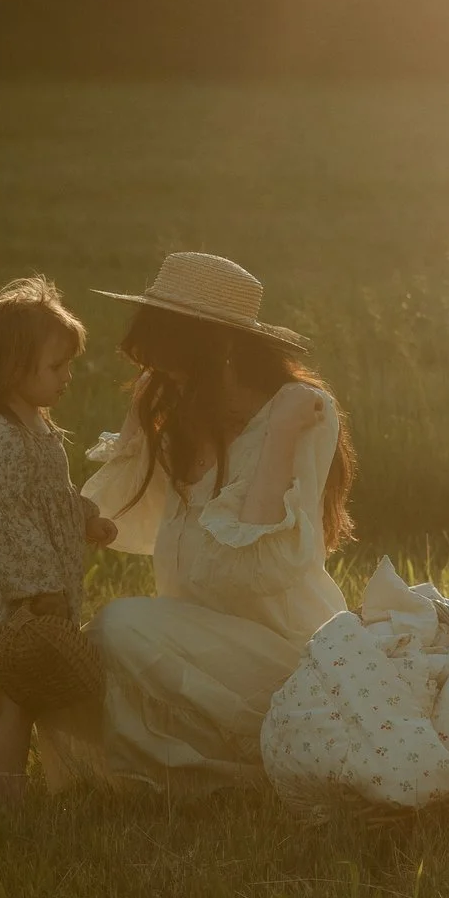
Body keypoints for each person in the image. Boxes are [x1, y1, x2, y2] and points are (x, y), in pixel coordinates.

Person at [80, 252, 356, 794]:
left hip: (288, 649)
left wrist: (278, 436)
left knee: (118, 627)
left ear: (222, 346)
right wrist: (138, 419)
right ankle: (206, 763)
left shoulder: (301, 410)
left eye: (173, 354)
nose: (162, 370)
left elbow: (254, 567)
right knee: (106, 642)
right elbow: (115, 517)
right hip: (201, 634)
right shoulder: (184, 408)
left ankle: (249, 763)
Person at [0, 276, 119, 810]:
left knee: (27, 694)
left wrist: (86, 518)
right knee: (14, 700)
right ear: (15, 368)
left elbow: (52, 494)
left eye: (68, 365)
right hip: (17, 591)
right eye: (56, 367)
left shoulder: (35, 424)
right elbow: (8, 514)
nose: (67, 377)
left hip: (41, 585)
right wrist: (38, 588)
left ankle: (13, 793)